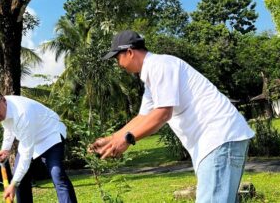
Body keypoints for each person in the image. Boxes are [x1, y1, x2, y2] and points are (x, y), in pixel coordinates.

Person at [89, 30, 255, 203]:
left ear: (129, 52)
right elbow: (143, 117)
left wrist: (127, 140)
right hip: (220, 141)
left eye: (117, 58)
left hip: (219, 138)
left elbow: (163, 113)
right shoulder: (153, 75)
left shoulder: (159, 66)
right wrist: (111, 139)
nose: (118, 64)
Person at [0, 89, 77, 203]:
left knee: (57, 175)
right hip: (31, 137)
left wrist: (13, 184)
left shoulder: (22, 113)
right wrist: (5, 149)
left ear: (3, 100)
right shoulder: (0, 108)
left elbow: (26, 153)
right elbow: (8, 128)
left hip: (50, 135)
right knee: (19, 177)